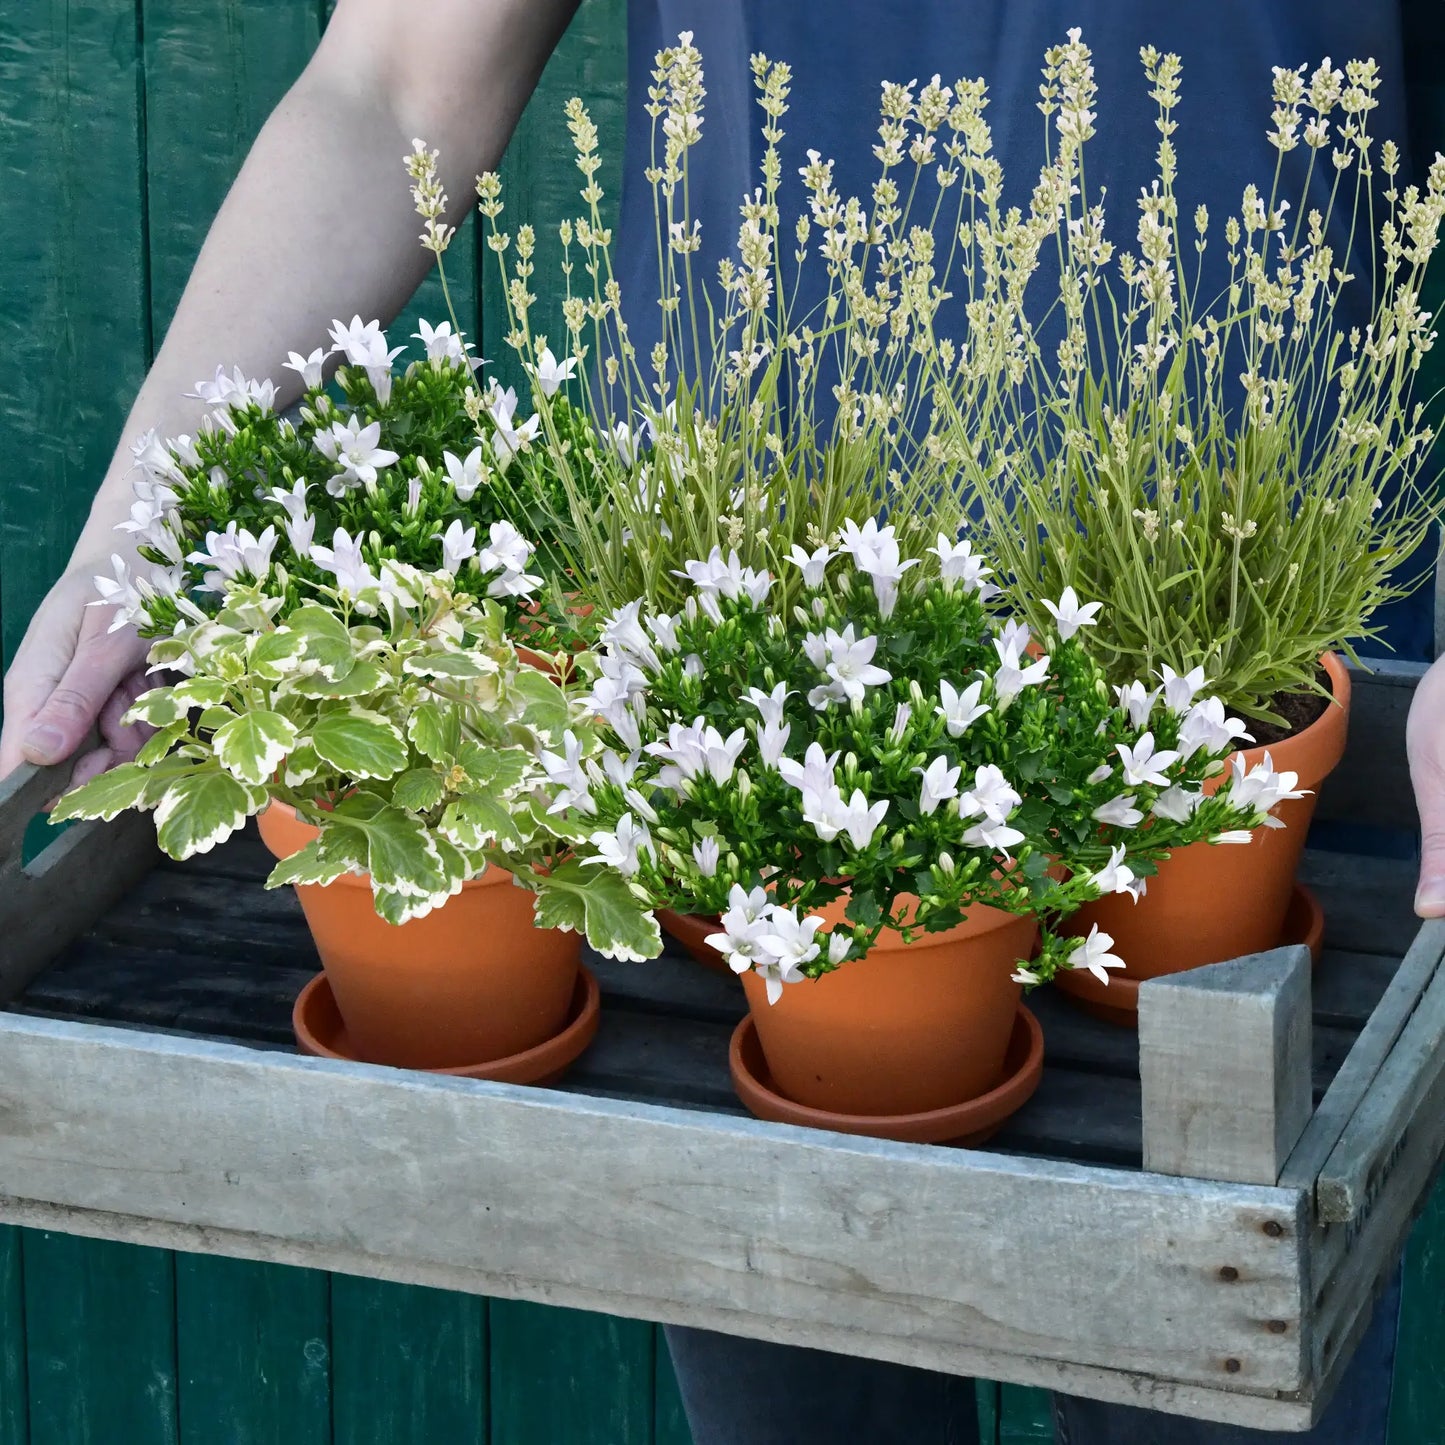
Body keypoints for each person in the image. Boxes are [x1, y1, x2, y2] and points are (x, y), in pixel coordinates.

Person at [0, 2, 1435, 1439]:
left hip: (1236, 699)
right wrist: (147, 523)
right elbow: (396, 81)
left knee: (1220, 1351)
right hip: (739, 719)